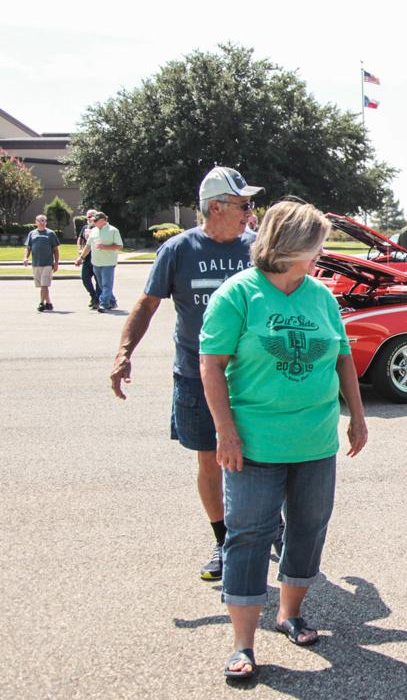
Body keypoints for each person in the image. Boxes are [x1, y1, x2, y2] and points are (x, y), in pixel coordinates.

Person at [199, 199, 368, 681]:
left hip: (315, 441)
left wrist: (356, 417)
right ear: (293, 246)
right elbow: (210, 365)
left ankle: (290, 613)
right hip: (253, 444)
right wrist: (225, 432)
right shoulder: (238, 295)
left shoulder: (320, 295)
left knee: (309, 527)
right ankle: (243, 643)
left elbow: (341, 360)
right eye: (317, 244)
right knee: (248, 536)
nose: (322, 253)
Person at [110, 166, 263, 582]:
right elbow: (146, 304)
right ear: (215, 207)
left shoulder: (258, 248)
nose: (250, 212)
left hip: (254, 377)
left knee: (264, 455)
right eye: (243, 204)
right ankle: (223, 540)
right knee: (211, 459)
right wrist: (124, 353)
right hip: (196, 376)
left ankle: (271, 528)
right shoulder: (179, 250)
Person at [75, 212, 123, 311]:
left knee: (106, 284)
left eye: (96, 220)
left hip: (108, 263)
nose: (94, 222)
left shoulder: (113, 230)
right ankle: (112, 301)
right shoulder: (94, 231)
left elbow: (119, 246)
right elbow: (88, 246)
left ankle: (104, 304)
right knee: (101, 285)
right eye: (94, 221)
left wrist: (104, 247)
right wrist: (81, 258)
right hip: (96, 262)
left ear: (103, 220)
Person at [22, 214, 60, 312]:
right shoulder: (32, 233)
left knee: (44, 284)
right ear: (36, 222)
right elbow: (28, 247)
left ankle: (41, 303)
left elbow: (55, 249)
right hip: (36, 263)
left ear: (46, 222)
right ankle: (49, 303)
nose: (42, 222)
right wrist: (25, 258)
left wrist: (56, 263)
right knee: (42, 285)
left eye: (43, 220)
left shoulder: (51, 233)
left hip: (47, 263)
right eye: (40, 221)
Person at [77, 210, 99, 309]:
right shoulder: (85, 228)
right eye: (88, 217)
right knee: (85, 278)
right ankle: (93, 296)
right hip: (87, 258)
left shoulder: (99, 228)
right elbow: (80, 239)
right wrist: (80, 250)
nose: (89, 219)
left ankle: (98, 299)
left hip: (98, 258)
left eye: (91, 216)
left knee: (98, 280)